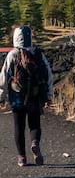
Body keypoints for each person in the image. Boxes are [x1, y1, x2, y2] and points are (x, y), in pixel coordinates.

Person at [0, 26, 53, 167]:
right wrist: (48, 95)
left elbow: (4, 77)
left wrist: (1, 97)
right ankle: (35, 142)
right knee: (34, 124)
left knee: (19, 127)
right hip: (34, 96)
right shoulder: (37, 53)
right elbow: (48, 75)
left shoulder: (12, 55)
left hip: (17, 97)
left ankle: (22, 158)